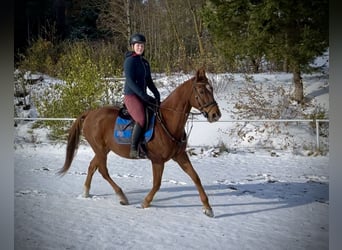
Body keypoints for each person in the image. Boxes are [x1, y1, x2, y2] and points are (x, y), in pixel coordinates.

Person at [123, 33, 161, 158]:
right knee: (141, 119)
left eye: (142, 45)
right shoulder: (130, 61)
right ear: (132, 46)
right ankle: (133, 149)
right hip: (132, 96)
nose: (140, 47)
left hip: (142, 95)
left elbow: (148, 80)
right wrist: (143, 96)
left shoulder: (144, 63)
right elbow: (130, 81)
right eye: (138, 45)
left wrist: (156, 95)